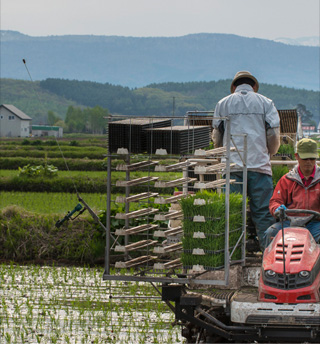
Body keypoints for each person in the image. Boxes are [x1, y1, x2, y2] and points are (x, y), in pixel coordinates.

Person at [213, 71, 280, 250]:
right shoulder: (266, 103)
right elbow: (273, 134)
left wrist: (220, 155)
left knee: (233, 212)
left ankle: (232, 255)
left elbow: (217, 136)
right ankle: (268, 254)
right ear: (254, 86)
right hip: (260, 167)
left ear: (234, 86)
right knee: (264, 214)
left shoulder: (223, 103)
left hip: (232, 167)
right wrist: (269, 153)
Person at [264, 138, 320, 247]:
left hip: (316, 223)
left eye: (312, 158)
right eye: (305, 158)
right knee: (271, 233)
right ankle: (271, 264)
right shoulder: (287, 180)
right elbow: (275, 201)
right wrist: (277, 209)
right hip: (289, 223)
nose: (308, 162)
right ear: (297, 156)